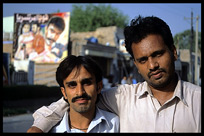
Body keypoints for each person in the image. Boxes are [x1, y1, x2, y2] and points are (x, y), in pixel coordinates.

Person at [27, 15, 201, 132]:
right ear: (135, 64)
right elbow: (78, 98)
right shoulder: (123, 98)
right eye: (143, 60)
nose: (152, 65)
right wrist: (38, 128)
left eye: (158, 54)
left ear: (174, 51)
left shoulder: (198, 101)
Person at [27, 55, 119, 133]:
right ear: (64, 92)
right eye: (72, 85)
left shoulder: (115, 125)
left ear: (98, 87)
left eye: (86, 83)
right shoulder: (52, 130)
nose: (80, 92)